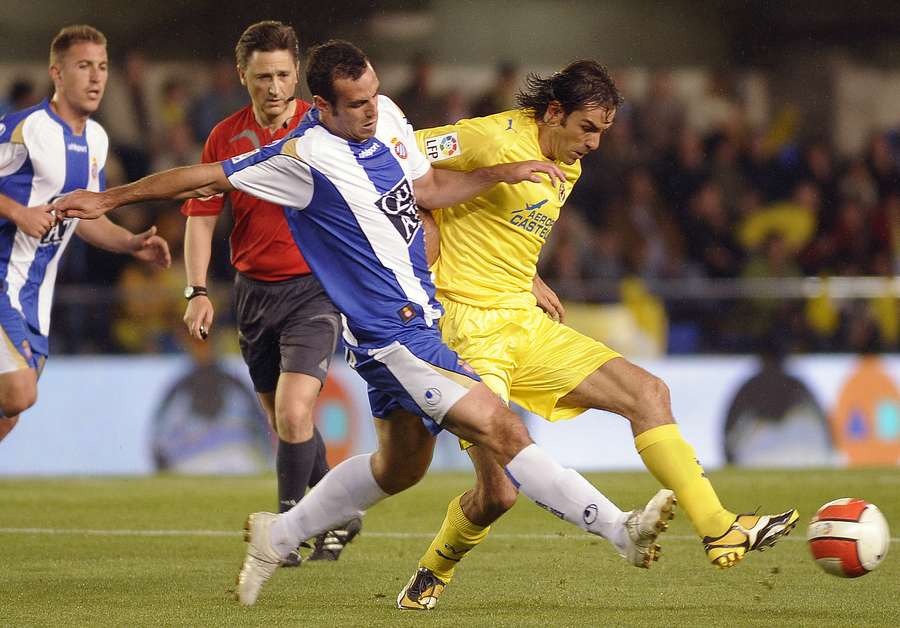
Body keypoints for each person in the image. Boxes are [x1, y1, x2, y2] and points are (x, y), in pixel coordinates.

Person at [56, 40, 674, 609]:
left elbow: (428, 187)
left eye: (374, 95)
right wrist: (110, 200)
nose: (371, 111)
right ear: (320, 105)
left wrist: (497, 175)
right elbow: (204, 177)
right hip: (393, 337)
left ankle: (280, 533)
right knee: (502, 429)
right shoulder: (302, 157)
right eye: (355, 105)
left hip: (416, 326)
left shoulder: (391, 122)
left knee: (398, 469)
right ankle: (619, 529)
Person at [395, 61, 800, 610]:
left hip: (524, 321)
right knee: (499, 494)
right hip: (466, 330)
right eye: (587, 127)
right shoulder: (489, 136)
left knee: (648, 393)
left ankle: (719, 526)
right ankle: (433, 570)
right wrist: (430, 222)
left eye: (603, 132)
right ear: (554, 112)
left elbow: (500, 228)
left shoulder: (567, 163)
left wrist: (530, 276)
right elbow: (396, 155)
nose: (594, 143)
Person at [181, 20, 358, 566]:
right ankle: (341, 511)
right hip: (253, 293)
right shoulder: (224, 138)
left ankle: (285, 531)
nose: (276, 87)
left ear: (297, 74)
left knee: (293, 408)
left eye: (284, 75)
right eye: (263, 77)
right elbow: (201, 219)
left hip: (315, 289)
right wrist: (196, 290)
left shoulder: (323, 126)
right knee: (286, 423)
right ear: (243, 76)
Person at [0, 25, 171, 444]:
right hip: (3, 282)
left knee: (9, 413)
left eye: (102, 67)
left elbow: (86, 217)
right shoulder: (24, 128)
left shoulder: (95, 139)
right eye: (83, 66)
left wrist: (131, 244)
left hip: (34, 300)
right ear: (57, 73)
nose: (96, 77)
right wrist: (19, 213)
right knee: (20, 392)